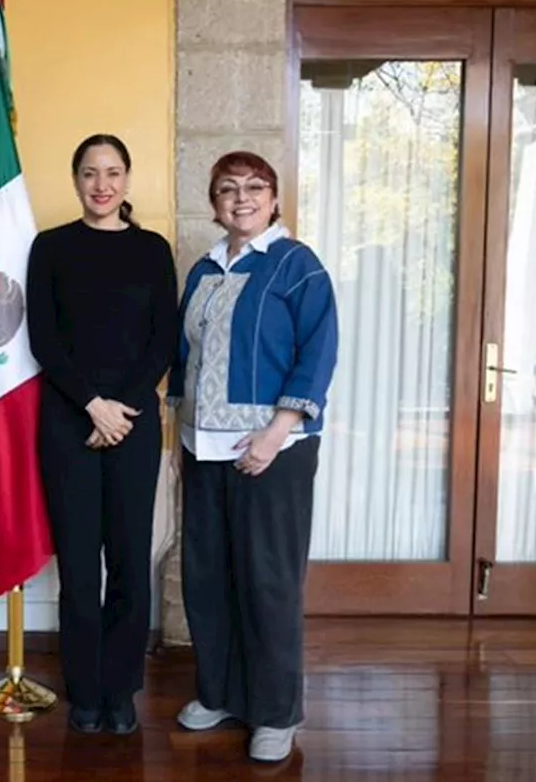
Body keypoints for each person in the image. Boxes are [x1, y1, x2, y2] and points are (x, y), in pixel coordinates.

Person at [167, 151, 338, 763]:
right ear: (214, 203)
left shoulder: (297, 266)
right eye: (228, 189)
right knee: (208, 578)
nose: (241, 199)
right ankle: (219, 693)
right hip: (204, 449)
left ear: (274, 199)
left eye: (254, 188)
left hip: (273, 451)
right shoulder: (203, 271)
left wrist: (276, 432)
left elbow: (318, 353)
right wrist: (179, 438)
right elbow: (185, 360)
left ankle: (274, 711)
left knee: (268, 581)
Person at [25, 134, 179, 735]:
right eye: (90, 173)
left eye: (113, 172)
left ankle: (121, 690)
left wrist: (119, 410)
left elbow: (162, 340)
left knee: (129, 561)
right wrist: (92, 406)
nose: (102, 184)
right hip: (69, 423)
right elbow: (45, 339)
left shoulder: (151, 250)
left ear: (127, 180)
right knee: (80, 567)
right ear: (76, 180)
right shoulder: (51, 247)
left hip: (134, 425)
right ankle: (85, 692)